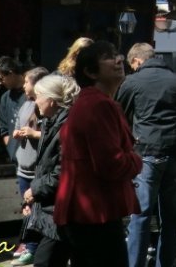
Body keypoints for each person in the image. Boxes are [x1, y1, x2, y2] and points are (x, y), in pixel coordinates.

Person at [55, 41, 142, 267]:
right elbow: (111, 164)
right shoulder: (98, 104)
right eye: (108, 57)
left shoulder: (90, 101)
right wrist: (136, 159)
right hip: (94, 213)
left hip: (86, 213)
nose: (119, 60)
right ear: (90, 71)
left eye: (117, 55)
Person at [116, 43, 176, 267]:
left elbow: (119, 117)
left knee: (140, 215)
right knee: (170, 216)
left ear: (137, 61)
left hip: (147, 154)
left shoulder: (132, 82)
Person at [23, 74, 79, 267]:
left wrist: (36, 189)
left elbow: (64, 170)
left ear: (52, 100)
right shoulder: (51, 123)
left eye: (38, 95)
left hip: (63, 211)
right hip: (53, 211)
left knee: (45, 262)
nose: (35, 100)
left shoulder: (66, 126)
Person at [10, 66, 49, 266]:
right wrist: (18, 133)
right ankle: (26, 243)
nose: (24, 85)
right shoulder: (25, 105)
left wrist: (34, 134)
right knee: (27, 208)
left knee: (36, 210)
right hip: (23, 167)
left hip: (37, 170)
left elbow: (53, 136)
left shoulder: (47, 107)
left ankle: (33, 248)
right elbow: (17, 126)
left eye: (27, 81)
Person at [0, 56, 27, 165]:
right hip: (17, 160)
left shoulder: (32, 93)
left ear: (11, 73)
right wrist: (11, 149)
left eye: (1, 78)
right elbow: (3, 127)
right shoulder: (5, 98)